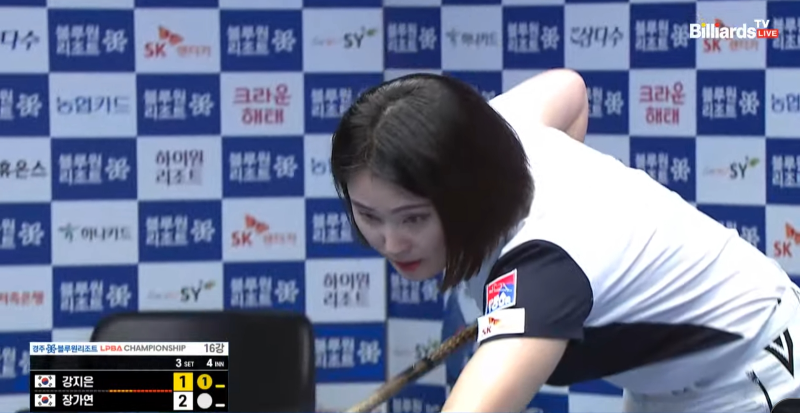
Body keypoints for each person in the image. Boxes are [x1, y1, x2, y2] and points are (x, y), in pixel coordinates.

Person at [329, 69, 800, 412]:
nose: (391, 242)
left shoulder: (544, 269)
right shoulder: (494, 133)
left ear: (466, 192)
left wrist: (550, 292)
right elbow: (569, 89)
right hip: (671, 382)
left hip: (753, 373)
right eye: (368, 215)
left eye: (413, 219)